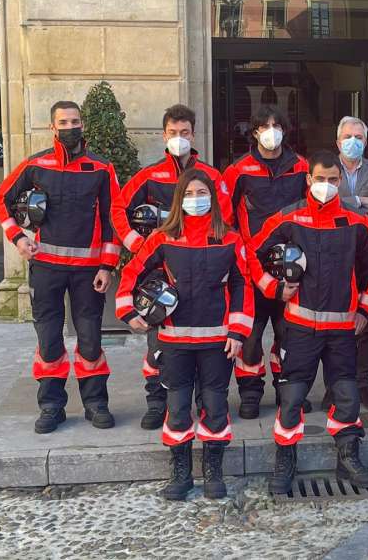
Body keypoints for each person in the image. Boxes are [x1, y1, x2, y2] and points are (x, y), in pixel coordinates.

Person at [247, 150, 368, 495]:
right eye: (320, 179)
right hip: (300, 328)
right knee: (291, 396)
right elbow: (252, 253)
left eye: (333, 180)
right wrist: (274, 288)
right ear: (308, 180)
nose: (326, 186)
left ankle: (348, 456)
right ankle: (285, 459)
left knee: (347, 395)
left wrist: (365, 311)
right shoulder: (290, 218)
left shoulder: (356, 221)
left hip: (341, 329)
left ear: (341, 182)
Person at [0, 100, 132, 434]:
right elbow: (2, 198)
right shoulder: (36, 164)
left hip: (88, 272)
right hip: (46, 269)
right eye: (64, 122)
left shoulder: (101, 167)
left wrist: (108, 265)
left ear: (83, 124)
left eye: (75, 121)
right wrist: (17, 237)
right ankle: (52, 406)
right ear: (52, 128)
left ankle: (96, 403)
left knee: (90, 341)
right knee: (50, 341)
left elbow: (113, 217)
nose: (71, 127)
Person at [116, 169, 254, 500]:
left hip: (217, 342)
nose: (196, 200)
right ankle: (180, 473)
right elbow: (133, 271)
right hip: (175, 342)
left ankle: (212, 471)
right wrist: (127, 311)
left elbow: (242, 284)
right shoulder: (164, 238)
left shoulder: (230, 238)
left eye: (201, 193)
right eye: (189, 194)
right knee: (177, 408)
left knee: (215, 406)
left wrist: (238, 331)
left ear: (214, 199)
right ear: (179, 200)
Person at [120, 104, 232, 430]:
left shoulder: (212, 176)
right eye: (173, 133)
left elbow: (225, 219)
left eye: (185, 133)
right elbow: (118, 207)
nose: (179, 138)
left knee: (203, 341)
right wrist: (135, 243)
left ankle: (203, 401)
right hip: (161, 275)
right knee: (160, 346)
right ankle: (158, 402)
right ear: (164, 135)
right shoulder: (149, 175)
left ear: (193, 134)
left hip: (205, 268)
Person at [222, 104, 310, 419]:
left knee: (291, 333)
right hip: (251, 266)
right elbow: (225, 218)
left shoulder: (301, 167)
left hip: (291, 265)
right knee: (251, 335)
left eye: (276, 125)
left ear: (285, 130)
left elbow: (310, 210)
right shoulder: (238, 170)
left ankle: (289, 388)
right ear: (255, 131)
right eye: (264, 126)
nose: (270, 131)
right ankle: (250, 393)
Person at [319, 116, 368, 412]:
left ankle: (363, 383)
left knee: (367, 323)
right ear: (337, 142)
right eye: (347, 136)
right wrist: (362, 200)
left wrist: (346, 201)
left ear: (365, 141)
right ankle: (333, 387)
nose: (353, 141)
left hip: (367, 256)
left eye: (358, 137)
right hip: (333, 255)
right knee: (332, 325)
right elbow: (325, 205)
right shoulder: (326, 171)